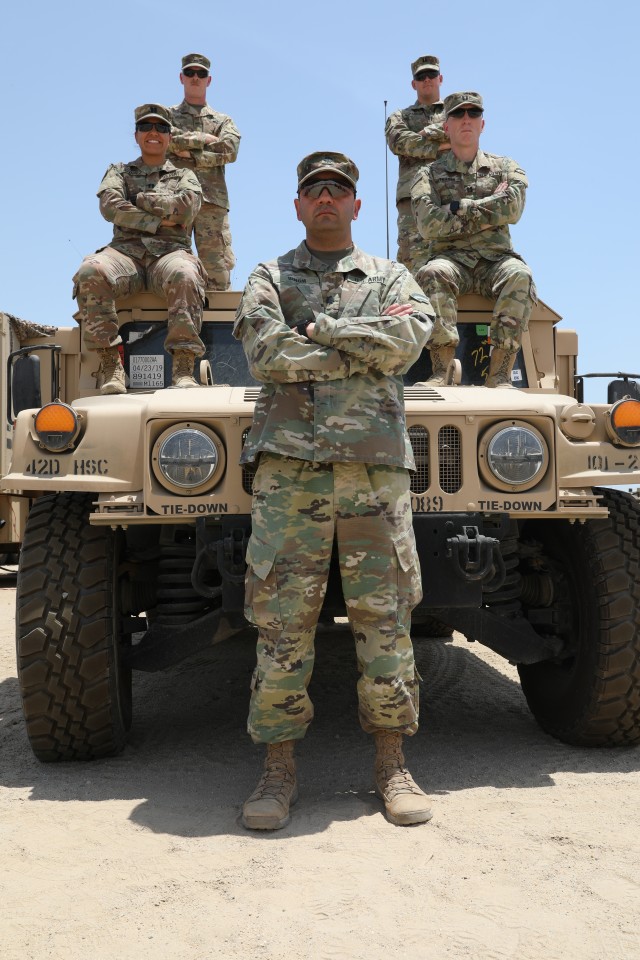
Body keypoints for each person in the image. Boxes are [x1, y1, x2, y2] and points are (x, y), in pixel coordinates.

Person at [233, 151, 435, 831]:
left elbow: (409, 339)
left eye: (339, 189)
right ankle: (277, 769)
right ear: (298, 205)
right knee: (282, 623)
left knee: (386, 621)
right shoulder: (270, 274)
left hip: (373, 472)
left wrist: (327, 332)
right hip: (291, 470)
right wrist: (357, 348)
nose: (326, 197)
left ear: (355, 205)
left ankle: (392, 763)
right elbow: (263, 351)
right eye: (313, 189)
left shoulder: (392, 276)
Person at [73, 104, 207, 395]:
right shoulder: (119, 171)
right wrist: (160, 219)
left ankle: (184, 366)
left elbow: (186, 210)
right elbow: (110, 206)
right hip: (125, 255)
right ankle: (111, 364)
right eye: (146, 127)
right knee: (90, 270)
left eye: (161, 128)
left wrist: (139, 202)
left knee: (186, 273)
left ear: (170, 136)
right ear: (136, 135)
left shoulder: (185, 176)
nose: (154, 133)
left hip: (169, 255)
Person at [411, 92, 536, 388]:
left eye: (473, 114)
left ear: (482, 124)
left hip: (496, 261)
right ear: (446, 127)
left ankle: (501, 372)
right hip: (451, 261)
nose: (466, 119)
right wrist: (491, 204)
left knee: (520, 275)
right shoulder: (428, 174)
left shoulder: (505, 167)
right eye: (458, 114)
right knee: (432, 273)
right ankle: (442, 370)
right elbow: (428, 225)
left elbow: (514, 208)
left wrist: (458, 207)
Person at [169, 53, 241, 293]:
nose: (195, 78)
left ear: (209, 80)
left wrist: (190, 154)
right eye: (190, 73)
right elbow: (166, 141)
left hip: (212, 203)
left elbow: (229, 150)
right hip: (174, 201)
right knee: (169, 266)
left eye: (201, 74)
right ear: (181, 77)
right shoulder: (166, 117)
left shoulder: (222, 121)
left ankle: (215, 330)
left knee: (217, 274)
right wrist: (204, 139)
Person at [385, 55, 449, 273]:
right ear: (414, 84)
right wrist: (440, 146)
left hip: (450, 195)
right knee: (412, 263)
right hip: (412, 200)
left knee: (450, 262)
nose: (427, 79)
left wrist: (425, 133)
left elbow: (461, 136)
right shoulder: (399, 117)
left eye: (431, 75)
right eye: (421, 76)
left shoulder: (456, 113)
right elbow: (400, 142)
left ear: (440, 78)